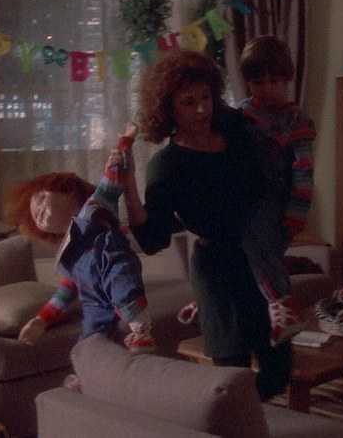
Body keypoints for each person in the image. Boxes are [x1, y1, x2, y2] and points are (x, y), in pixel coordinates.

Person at [120, 48, 291, 401]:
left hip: (259, 261)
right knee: (233, 379)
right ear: (168, 109)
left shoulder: (234, 130)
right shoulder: (167, 166)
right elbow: (153, 239)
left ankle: (254, 417)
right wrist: (128, 185)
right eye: (188, 102)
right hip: (218, 273)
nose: (201, 109)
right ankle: (236, 420)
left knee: (280, 369)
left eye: (205, 97)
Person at [4, 123, 155, 354]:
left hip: (111, 261)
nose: (39, 211)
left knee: (121, 284)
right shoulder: (67, 252)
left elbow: (113, 177)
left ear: (69, 191)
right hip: (93, 297)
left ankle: (141, 331)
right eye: (36, 217)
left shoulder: (94, 206)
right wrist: (42, 319)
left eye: (42, 199)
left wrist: (125, 141)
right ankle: (91, 362)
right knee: (90, 337)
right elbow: (66, 291)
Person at [236, 35, 316, 345]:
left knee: (259, 246)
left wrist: (297, 215)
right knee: (243, 250)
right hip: (246, 198)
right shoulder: (239, 115)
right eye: (258, 82)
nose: (267, 89)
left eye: (274, 81)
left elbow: (304, 170)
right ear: (248, 82)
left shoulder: (298, 121)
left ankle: (284, 304)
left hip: (280, 202)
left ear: (285, 79)